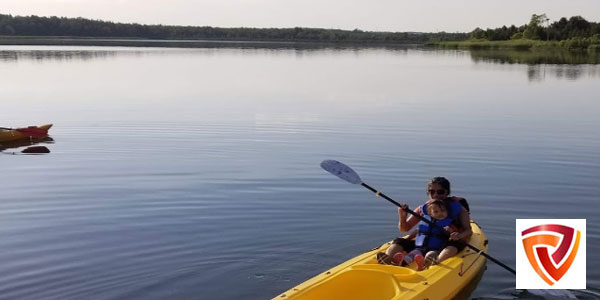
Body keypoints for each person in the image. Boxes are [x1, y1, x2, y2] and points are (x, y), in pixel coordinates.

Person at [376, 177, 472, 267]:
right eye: (432, 192)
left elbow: (468, 231)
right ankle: (387, 259)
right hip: (422, 245)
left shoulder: (458, 209)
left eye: (440, 192)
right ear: (428, 192)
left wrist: (458, 236)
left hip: (445, 243)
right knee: (399, 241)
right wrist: (402, 216)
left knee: (453, 246)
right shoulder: (423, 209)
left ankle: (436, 261)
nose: (435, 195)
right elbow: (404, 229)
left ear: (447, 192)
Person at [391, 200, 455, 270]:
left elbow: (452, 235)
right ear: (430, 214)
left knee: (430, 255)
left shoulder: (448, 224)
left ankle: (424, 265)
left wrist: (450, 231)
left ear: (447, 212)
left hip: (435, 249)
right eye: (436, 212)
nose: (440, 213)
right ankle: (402, 262)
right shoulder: (426, 221)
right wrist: (407, 239)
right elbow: (417, 231)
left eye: (443, 211)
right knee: (412, 254)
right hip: (420, 248)